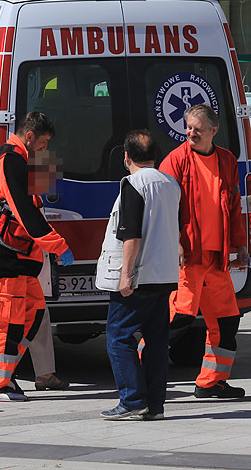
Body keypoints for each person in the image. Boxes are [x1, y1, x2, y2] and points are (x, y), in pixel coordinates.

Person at [0, 112, 74, 402]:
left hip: (20, 256)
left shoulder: (6, 156)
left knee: (32, 315)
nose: (45, 149)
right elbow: (25, 212)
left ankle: (3, 377)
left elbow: (30, 206)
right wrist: (57, 244)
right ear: (29, 136)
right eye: (43, 143)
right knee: (8, 321)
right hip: (9, 256)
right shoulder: (12, 161)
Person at [160, 104, 248, 398]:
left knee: (226, 322)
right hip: (189, 256)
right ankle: (138, 370)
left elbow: (234, 208)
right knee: (179, 319)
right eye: (188, 127)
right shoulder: (175, 160)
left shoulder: (226, 160)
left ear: (214, 130)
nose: (190, 133)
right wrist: (176, 244)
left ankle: (212, 382)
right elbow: (164, 210)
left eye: (197, 128)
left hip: (217, 257)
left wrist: (240, 245)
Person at [96, 130, 181, 421]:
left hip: (140, 277)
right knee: (157, 342)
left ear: (126, 156)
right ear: (155, 154)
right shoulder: (171, 183)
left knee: (118, 337)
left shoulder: (132, 184)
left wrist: (125, 275)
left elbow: (131, 235)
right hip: (164, 276)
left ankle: (132, 399)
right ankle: (155, 404)